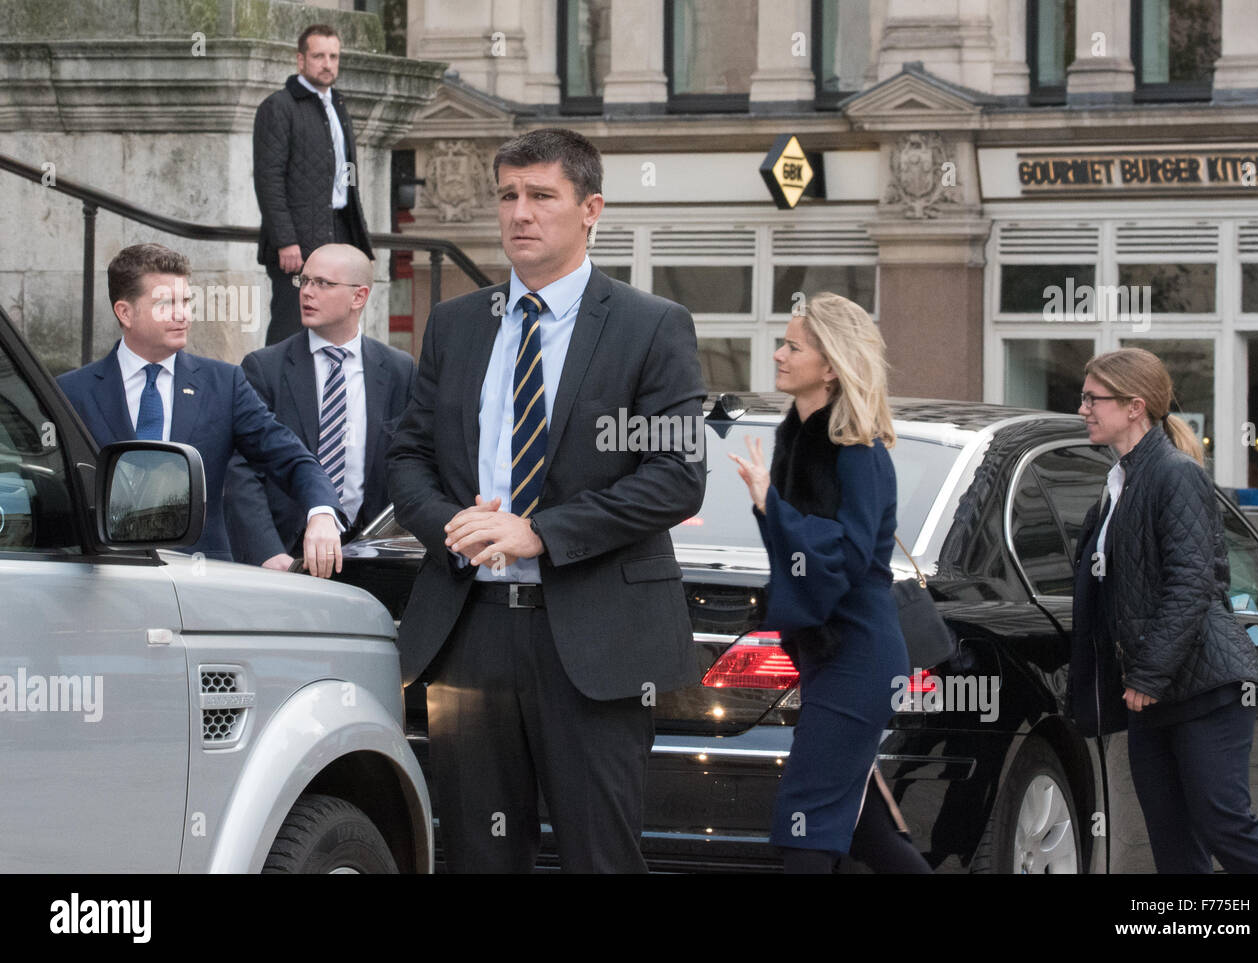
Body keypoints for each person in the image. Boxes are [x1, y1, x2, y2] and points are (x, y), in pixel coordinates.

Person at [386, 128, 706, 873]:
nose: (519, 213)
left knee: (601, 856)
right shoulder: (459, 324)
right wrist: (453, 527)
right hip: (471, 634)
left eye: (541, 196)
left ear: (591, 208)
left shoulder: (650, 326)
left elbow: (675, 475)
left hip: (594, 640)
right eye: (507, 196)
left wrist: (539, 532)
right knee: (476, 856)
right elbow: (406, 458)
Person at [1068, 347, 1258, 873]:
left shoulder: (1174, 474)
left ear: (1134, 406)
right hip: (1153, 694)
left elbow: (1192, 583)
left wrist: (1147, 674)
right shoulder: (1118, 484)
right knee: (1172, 842)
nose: (1082, 409)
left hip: (1206, 688)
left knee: (1226, 825)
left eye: (1092, 398)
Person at [729, 293, 929, 874]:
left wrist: (774, 506)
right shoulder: (799, 437)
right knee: (865, 833)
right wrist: (771, 509)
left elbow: (846, 552)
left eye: (793, 346)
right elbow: (793, 555)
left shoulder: (856, 451)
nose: (779, 354)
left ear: (832, 365)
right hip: (830, 654)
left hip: (857, 655)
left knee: (807, 825)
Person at [58, 243, 345, 576]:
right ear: (125, 312)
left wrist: (322, 513)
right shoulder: (72, 392)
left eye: (186, 302)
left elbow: (291, 458)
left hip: (201, 581)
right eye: (166, 304)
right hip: (103, 580)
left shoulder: (225, 384)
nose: (183, 315)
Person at [225, 243, 416, 569]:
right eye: (305, 281)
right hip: (287, 554)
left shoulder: (399, 369)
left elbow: (410, 461)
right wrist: (267, 552)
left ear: (359, 296)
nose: (307, 293)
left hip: (369, 554)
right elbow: (241, 469)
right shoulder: (264, 367)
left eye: (323, 283)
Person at [254, 23, 374, 346]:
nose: (327, 63)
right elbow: (269, 178)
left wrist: (358, 240)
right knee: (290, 327)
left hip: (338, 230)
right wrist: (285, 240)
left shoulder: (338, 105)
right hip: (295, 240)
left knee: (336, 325)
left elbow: (346, 180)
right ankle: (270, 395)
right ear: (301, 60)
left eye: (333, 56)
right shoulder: (278, 107)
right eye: (319, 55)